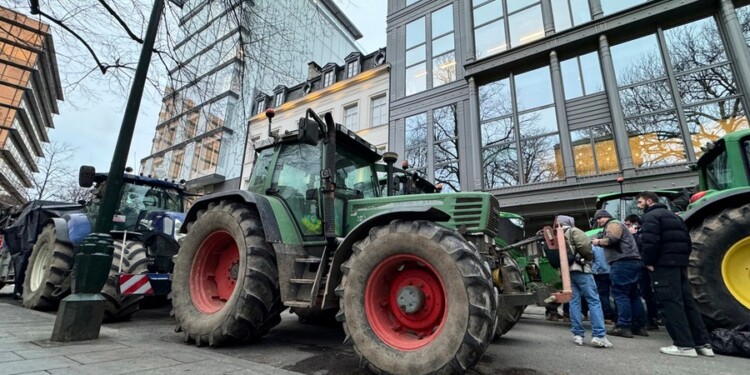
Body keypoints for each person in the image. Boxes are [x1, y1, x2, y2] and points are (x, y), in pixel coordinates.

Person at [636, 191, 714, 357]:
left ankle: (684, 345)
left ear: (649, 201)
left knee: (670, 304)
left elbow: (649, 242)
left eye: (640, 202)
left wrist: (648, 262)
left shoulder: (651, 217)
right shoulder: (675, 217)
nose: (638, 205)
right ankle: (703, 343)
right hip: (679, 265)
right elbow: (687, 240)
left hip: (663, 266)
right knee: (687, 303)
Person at [557, 215, 612, 348]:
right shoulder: (574, 231)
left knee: (574, 301)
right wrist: (589, 258)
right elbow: (585, 246)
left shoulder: (556, 234)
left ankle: (577, 335)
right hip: (580, 269)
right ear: (570, 222)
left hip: (566, 272)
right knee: (593, 300)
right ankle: (599, 335)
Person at [591, 209, 648, 338]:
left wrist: (598, 242)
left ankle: (623, 325)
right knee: (633, 295)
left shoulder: (613, 224)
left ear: (605, 217)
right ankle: (639, 326)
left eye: (599, 219)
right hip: (632, 262)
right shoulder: (617, 225)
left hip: (622, 263)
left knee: (621, 294)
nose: (598, 221)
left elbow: (612, 240)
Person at [624, 214, 660, 331]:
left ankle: (651, 319)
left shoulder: (640, 234)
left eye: (628, 224)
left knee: (645, 293)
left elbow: (640, 247)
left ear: (635, 224)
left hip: (643, 267)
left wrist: (634, 235)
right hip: (644, 266)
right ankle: (651, 318)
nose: (627, 227)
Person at [592, 244, 614, 324]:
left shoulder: (595, 247)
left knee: (601, 295)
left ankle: (606, 316)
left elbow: (596, 260)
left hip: (599, 273)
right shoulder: (610, 246)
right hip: (611, 271)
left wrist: (594, 270)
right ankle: (614, 317)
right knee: (611, 294)